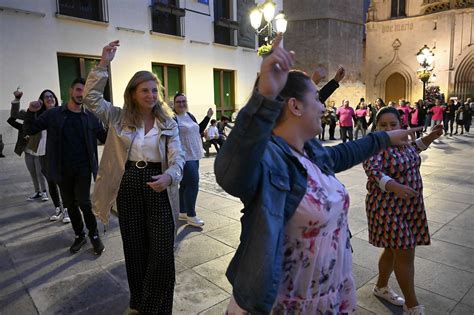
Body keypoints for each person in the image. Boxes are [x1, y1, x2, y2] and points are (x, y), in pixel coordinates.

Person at [214, 34, 421, 314]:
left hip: (330, 290)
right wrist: (264, 98)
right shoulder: (270, 159)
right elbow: (231, 172)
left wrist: (383, 138)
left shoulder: (310, 149)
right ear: (295, 106)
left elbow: (341, 154)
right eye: (316, 97)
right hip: (285, 301)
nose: (323, 106)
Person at [83, 40, 185, 314]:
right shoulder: (117, 117)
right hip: (128, 183)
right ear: (133, 93)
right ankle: (138, 302)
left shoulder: (168, 121)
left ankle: (154, 308)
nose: (151, 95)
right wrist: (103, 64)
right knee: (135, 250)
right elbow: (90, 99)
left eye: (154, 90)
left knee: (163, 254)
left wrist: (170, 176)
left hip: (159, 183)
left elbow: (178, 157)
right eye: (145, 90)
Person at [363, 106, 443, 315]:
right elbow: (373, 170)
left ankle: (381, 287)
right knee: (405, 251)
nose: (388, 128)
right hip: (387, 208)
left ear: (401, 125)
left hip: (409, 207)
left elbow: (415, 148)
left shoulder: (403, 141)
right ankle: (412, 305)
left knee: (393, 249)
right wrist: (394, 186)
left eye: (393, 124)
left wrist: (431, 137)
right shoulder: (375, 145)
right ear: (376, 126)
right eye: (383, 125)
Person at [23, 78, 107, 255]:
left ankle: (94, 235)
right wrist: (31, 111)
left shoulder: (91, 117)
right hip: (61, 170)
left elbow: (106, 138)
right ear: (71, 91)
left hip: (83, 169)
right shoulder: (54, 114)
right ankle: (79, 235)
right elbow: (30, 129)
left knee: (84, 202)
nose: (80, 94)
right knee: (70, 204)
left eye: (84, 91)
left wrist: (118, 125)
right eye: (78, 90)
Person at [173, 92, 212, 227]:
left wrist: (208, 117)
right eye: (179, 102)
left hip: (195, 154)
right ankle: (192, 215)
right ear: (174, 104)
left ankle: (183, 211)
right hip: (184, 156)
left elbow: (199, 130)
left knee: (184, 185)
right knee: (193, 184)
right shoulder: (173, 118)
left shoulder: (190, 116)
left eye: (184, 101)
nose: (182, 104)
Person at [10, 89, 49, 201]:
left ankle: (44, 191)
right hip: (28, 147)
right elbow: (14, 114)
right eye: (39, 101)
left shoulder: (46, 115)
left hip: (39, 148)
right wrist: (17, 99)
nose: (39, 105)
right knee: (32, 171)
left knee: (39, 171)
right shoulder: (28, 113)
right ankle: (37, 192)